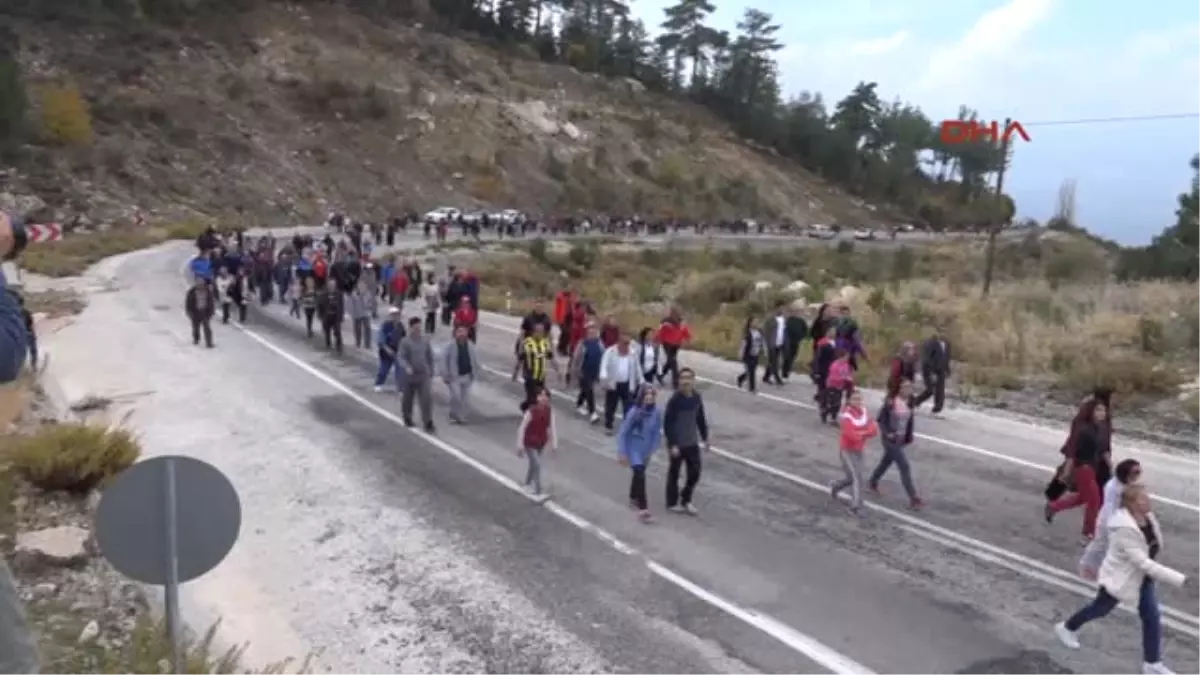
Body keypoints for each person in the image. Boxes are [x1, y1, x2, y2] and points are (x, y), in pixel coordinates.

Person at [1054, 483, 1186, 675]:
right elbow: (1142, 562)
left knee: (1152, 617)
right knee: (1100, 609)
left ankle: (1152, 663)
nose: (1148, 500)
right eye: (1143, 498)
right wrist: (1180, 580)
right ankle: (1066, 627)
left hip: (1142, 578)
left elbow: (1152, 547)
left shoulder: (1147, 517)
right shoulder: (1123, 528)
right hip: (1121, 577)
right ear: (1131, 503)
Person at [1046, 398, 1111, 541]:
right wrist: (1067, 472)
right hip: (1083, 468)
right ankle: (1089, 532)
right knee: (1094, 501)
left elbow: (1104, 448)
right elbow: (1072, 452)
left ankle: (1054, 506)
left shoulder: (1102, 428)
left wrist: (1110, 465)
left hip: (1094, 467)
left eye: (1104, 410)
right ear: (1090, 411)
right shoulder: (1083, 429)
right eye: (1098, 410)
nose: (1102, 413)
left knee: (1083, 497)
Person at [1080, 459, 1142, 581]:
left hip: (1116, 521)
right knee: (1101, 546)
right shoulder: (1114, 488)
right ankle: (1088, 566)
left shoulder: (1124, 485)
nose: (1138, 475)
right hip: (1109, 522)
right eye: (1135, 472)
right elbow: (1111, 509)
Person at [868, 378, 923, 510]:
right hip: (890, 440)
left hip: (901, 440)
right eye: (905, 387)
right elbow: (881, 420)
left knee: (885, 462)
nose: (908, 390)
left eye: (910, 387)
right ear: (899, 388)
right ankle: (914, 498)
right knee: (904, 466)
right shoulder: (891, 402)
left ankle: (872, 482)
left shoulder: (910, 401)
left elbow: (909, 420)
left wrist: (908, 437)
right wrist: (887, 433)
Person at [663, 368, 709, 515]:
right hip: (678, 443)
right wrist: (673, 443)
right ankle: (671, 502)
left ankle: (686, 499)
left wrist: (705, 437)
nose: (685, 381)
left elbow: (700, 418)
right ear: (679, 381)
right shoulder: (675, 400)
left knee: (695, 473)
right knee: (674, 473)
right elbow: (668, 423)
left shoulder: (696, 397)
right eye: (683, 378)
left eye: (688, 378)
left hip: (692, 442)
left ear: (693, 380)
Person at [617, 385, 663, 523]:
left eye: (651, 394)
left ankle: (633, 496)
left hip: (645, 449)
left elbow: (656, 432)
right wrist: (622, 452)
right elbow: (623, 433)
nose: (649, 397)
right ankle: (643, 509)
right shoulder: (634, 412)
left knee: (638, 474)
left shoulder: (656, 413)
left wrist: (652, 449)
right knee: (640, 474)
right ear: (641, 396)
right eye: (646, 394)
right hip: (633, 448)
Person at [831, 389, 878, 515]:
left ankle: (836, 486)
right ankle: (856, 506)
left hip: (858, 450)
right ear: (849, 401)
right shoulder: (845, 415)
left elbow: (874, 430)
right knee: (858, 477)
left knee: (852, 477)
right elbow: (851, 435)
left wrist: (862, 433)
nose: (858, 402)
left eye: (859, 399)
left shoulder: (863, 411)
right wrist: (865, 432)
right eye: (855, 399)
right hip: (847, 450)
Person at [516, 388, 558, 499]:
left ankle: (527, 484)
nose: (544, 398)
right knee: (537, 464)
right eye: (541, 395)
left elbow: (552, 427)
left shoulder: (550, 411)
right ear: (537, 397)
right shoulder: (531, 411)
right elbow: (522, 427)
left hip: (540, 442)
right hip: (529, 442)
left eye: (546, 395)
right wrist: (520, 444)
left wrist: (554, 443)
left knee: (533, 464)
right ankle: (538, 490)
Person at [398, 317, 435, 432]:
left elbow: (430, 356)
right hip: (409, 375)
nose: (418, 330)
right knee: (407, 399)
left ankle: (428, 421)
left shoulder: (425, 340)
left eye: (419, 327)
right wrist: (406, 366)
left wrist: (431, 370)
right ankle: (407, 417)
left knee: (426, 399)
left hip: (423, 374)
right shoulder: (405, 341)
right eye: (416, 328)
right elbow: (401, 357)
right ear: (410, 328)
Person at [600, 331, 641, 434]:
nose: (627, 345)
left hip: (627, 384)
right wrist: (604, 377)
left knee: (629, 406)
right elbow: (604, 365)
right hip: (613, 383)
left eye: (628, 343)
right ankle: (608, 426)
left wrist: (641, 380)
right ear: (619, 342)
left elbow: (637, 368)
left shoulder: (632, 353)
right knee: (611, 406)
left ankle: (627, 426)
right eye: (624, 343)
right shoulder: (610, 352)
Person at [513, 322, 556, 411]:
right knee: (534, 398)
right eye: (538, 332)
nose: (540, 334)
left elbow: (551, 357)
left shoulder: (545, 343)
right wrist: (515, 373)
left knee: (545, 395)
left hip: (541, 376)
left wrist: (558, 370)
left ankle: (524, 406)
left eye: (542, 332)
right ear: (533, 332)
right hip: (529, 376)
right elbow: (520, 359)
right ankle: (531, 415)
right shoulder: (527, 343)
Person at [442, 325, 478, 424]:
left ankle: (460, 416)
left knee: (464, 398)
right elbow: (444, 360)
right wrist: (445, 374)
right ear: (455, 333)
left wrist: (474, 373)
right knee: (456, 396)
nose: (461, 334)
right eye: (459, 331)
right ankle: (453, 414)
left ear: (467, 333)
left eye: (464, 331)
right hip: (454, 376)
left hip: (467, 375)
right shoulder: (450, 346)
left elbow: (474, 360)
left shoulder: (470, 345)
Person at [570, 322, 604, 424]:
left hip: (595, 371)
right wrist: (575, 371)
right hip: (584, 371)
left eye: (594, 329)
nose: (592, 331)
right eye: (590, 329)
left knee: (585, 391)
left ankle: (579, 405)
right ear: (587, 331)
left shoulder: (599, 343)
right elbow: (576, 359)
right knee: (589, 390)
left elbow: (603, 356)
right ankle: (593, 413)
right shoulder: (582, 343)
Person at [914, 327, 952, 415]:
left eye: (945, 332)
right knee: (930, 389)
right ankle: (915, 402)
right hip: (929, 370)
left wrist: (947, 370)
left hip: (941, 370)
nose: (943, 334)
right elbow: (927, 359)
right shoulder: (930, 343)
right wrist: (932, 372)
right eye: (941, 332)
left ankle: (936, 410)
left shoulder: (947, 344)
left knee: (940, 391)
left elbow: (947, 358)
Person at [656, 308, 691, 388]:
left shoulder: (681, 322)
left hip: (676, 345)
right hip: (667, 344)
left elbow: (684, 331)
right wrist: (657, 341)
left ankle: (660, 375)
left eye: (677, 313)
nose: (676, 315)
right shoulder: (666, 322)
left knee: (670, 362)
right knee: (674, 363)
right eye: (674, 313)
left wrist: (688, 339)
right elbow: (660, 332)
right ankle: (676, 383)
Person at [374, 307, 405, 392]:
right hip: (386, 352)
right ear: (390, 316)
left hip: (397, 352)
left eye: (397, 315)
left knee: (400, 370)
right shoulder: (385, 326)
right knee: (383, 370)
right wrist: (387, 349)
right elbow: (381, 340)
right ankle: (379, 384)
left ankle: (400, 387)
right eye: (393, 315)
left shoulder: (400, 326)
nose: (395, 317)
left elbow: (403, 338)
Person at [812, 325, 838, 422]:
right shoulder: (823, 343)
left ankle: (831, 412)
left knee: (833, 393)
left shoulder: (836, 343)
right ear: (827, 332)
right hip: (824, 370)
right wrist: (817, 372)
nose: (833, 333)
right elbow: (818, 359)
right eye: (831, 331)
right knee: (824, 391)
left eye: (835, 331)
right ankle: (823, 410)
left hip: (834, 372)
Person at [184, 277, 216, 348]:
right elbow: (188, 303)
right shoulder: (191, 292)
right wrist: (189, 312)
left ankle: (209, 343)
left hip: (205, 312)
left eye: (201, 282)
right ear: (196, 283)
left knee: (207, 328)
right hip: (195, 311)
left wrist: (211, 311)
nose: (200, 284)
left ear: (204, 283)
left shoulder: (208, 291)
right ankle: (196, 338)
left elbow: (211, 302)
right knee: (196, 327)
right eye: (198, 282)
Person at [735, 314, 763, 393]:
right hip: (748, 354)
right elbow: (743, 344)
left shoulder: (759, 332)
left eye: (757, 322)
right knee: (751, 371)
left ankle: (740, 378)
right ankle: (752, 388)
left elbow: (762, 342)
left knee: (750, 371)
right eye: (754, 322)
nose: (756, 323)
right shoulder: (748, 333)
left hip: (756, 354)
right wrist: (741, 353)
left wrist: (763, 351)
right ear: (750, 323)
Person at [761, 303, 787, 386]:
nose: (782, 310)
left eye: (783, 308)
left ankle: (766, 377)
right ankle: (778, 379)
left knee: (772, 362)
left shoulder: (783, 319)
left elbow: (784, 332)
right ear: (776, 309)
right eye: (780, 308)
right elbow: (765, 331)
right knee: (775, 362)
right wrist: (766, 343)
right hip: (771, 344)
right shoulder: (770, 319)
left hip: (780, 344)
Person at [781, 306, 807, 381]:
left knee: (792, 358)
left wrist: (802, 337)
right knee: (787, 357)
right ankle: (784, 374)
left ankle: (787, 372)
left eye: (796, 311)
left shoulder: (801, 321)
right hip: (787, 342)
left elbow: (805, 330)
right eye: (792, 311)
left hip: (796, 342)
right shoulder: (787, 320)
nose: (794, 312)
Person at [317, 285, 345, 353]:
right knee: (327, 331)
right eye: (330, 285)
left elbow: (341, 305)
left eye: (333, 285)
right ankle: (328, 343)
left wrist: (341, 316)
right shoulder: (323, 295)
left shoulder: (339, 294)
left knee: (337, 331)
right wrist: (320, 315)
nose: (332, 287)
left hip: (336, 316)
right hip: (327, 316)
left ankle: (339, 346)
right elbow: (320, 305)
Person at [347, 278, 373, 349]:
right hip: (357, 314)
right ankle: (358, 342)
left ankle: (367, 344)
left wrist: (367, 304)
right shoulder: (353, 294)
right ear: (357, 286)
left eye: (363, 286)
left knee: (367, 328)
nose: (362, 287)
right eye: (360, 285)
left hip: (365, 313)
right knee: (357, 329)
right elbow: (350, 304)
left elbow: (370, 303)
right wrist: (352, 313)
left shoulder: (368, 293)